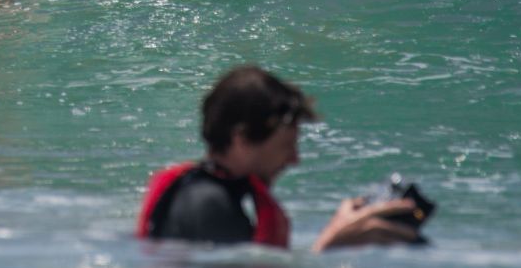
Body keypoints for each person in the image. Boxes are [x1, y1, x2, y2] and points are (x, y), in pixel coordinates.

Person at [138, 64, 425, 252]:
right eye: (286, 146)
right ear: (242, 139)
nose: (294, 160)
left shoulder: (211, 193)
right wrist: (331, 243)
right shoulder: (208, 205)